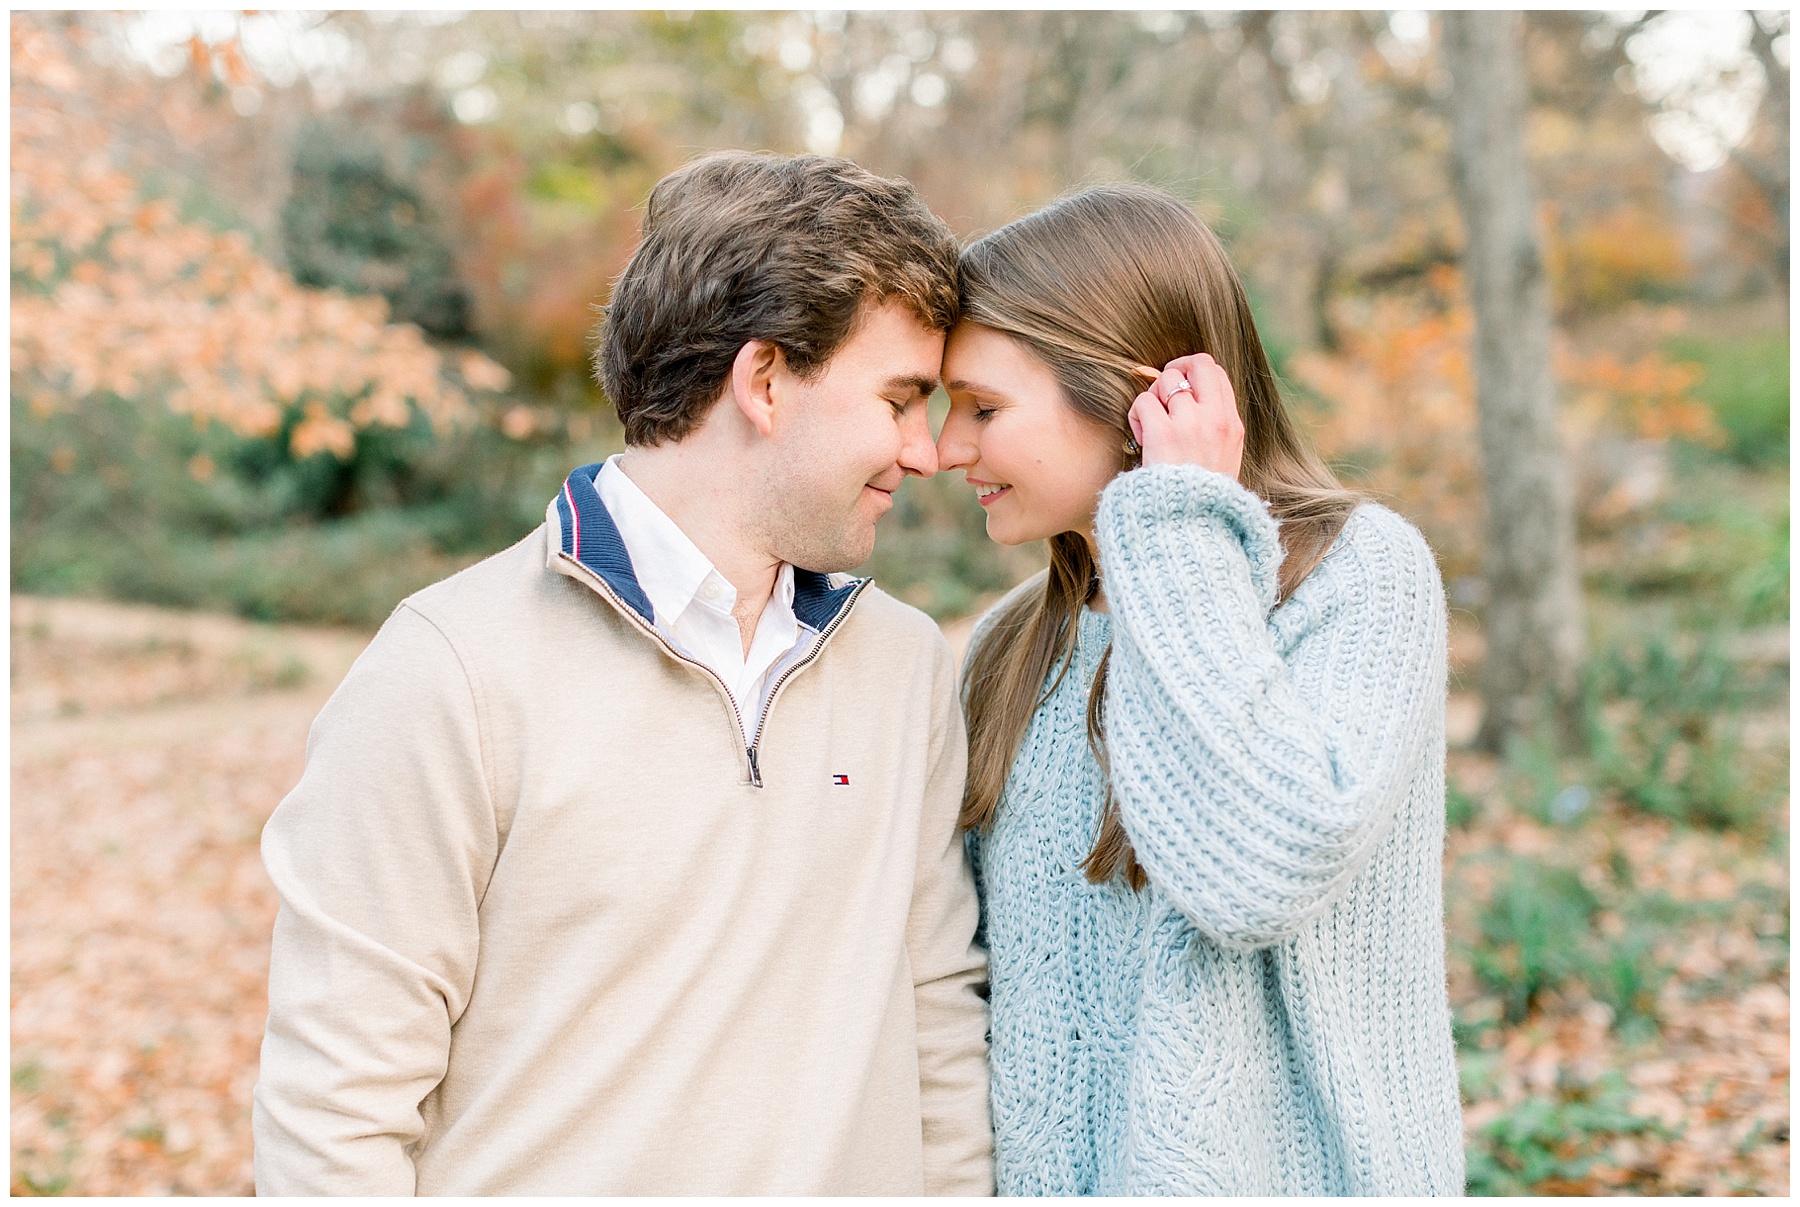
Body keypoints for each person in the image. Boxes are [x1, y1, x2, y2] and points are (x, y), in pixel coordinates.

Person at [253, 151, 994, 1196]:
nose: (924, 452)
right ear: (767, 380)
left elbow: (939, 1032)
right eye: (900, 398)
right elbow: (333, 1114)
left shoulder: (905, 667)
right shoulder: (449, 671)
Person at [935, 184, 1463, 1195]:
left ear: (1137, 397)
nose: (948, 448)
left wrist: (1179, 524)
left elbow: (1254, 877)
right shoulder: (1006, 649)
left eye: (985, 409)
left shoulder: (1360, 577)